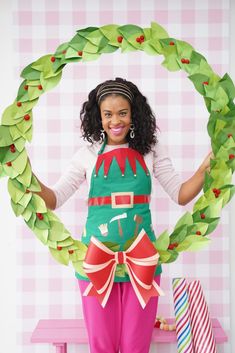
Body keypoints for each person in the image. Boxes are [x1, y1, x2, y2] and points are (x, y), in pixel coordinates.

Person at [35, 77, 213, 353]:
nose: (115, 121)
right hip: (95, 261)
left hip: (141, 260)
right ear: (98, 117)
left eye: (122, 113)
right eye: (108, 114)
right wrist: (25, 176)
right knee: (102, 345)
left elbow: (181, 194)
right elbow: (54, 199)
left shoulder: (151, 151)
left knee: (135, 345)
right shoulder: (88, 154)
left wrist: (205, 169)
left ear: (134, 115)